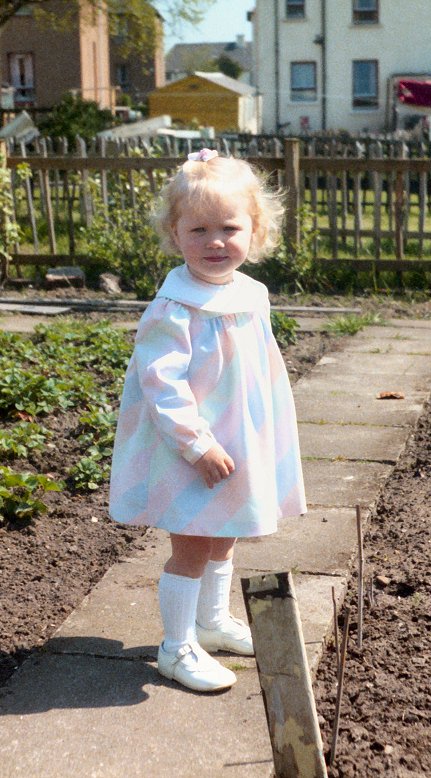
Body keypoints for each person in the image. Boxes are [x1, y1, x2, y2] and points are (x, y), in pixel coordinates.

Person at [108, 148, 307, 692]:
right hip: (192, 447)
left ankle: (212, 622)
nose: (215, 242)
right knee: (193, 544)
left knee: (225, 533)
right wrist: (196, 445)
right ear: (175, 235)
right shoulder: (176, 306)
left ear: (254, 231)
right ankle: (176, 648)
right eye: (198, 230)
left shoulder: (251, 293)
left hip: (238, 438)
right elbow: (161, 384)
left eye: (228, 228)